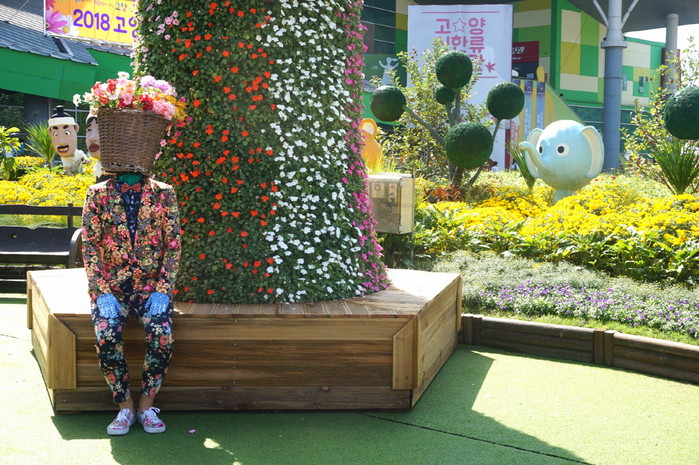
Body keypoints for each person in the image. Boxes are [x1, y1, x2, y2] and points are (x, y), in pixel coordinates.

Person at [82, 165, 181, 435]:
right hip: (112, 288)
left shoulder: (164, 193)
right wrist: (101, 290)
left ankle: (146, 406)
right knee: (106, 337)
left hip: (151, 287)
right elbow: (89, 245)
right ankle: (125, 407)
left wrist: (163, 288)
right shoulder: (97, 193)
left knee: (162, 334)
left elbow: (173, 244)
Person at [48, 105, 90, 175]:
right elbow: (69, 173)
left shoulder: (79, 153)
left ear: (75, 129)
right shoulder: (65, 160)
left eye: (67, 133)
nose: (62, 142)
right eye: (55, 134)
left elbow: (83, 156)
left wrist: (86, 159)